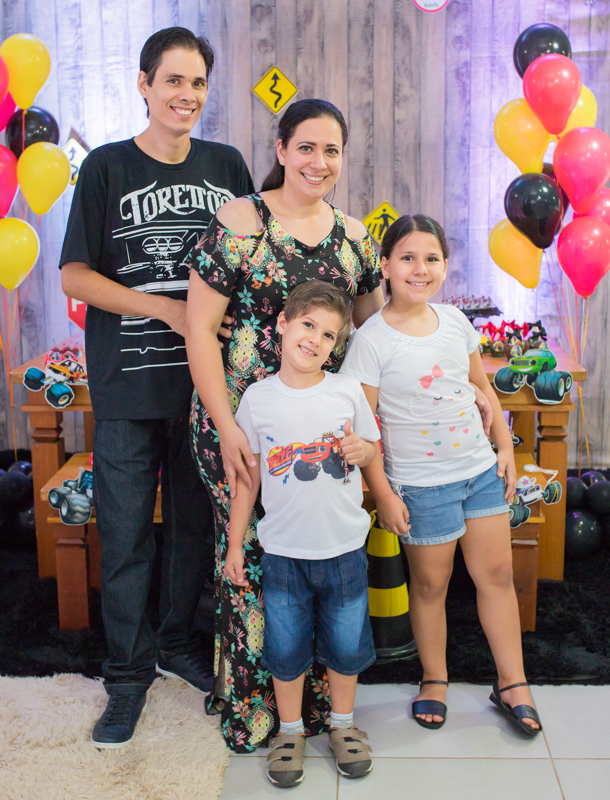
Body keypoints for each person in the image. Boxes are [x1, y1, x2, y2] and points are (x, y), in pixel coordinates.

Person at [59, 27, 254, 750]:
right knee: (126, 534)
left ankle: (176, 644)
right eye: (172, 80)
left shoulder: (227, 164)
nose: (186, 95)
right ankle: (126, 676)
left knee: (194, 533)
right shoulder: (106, 169)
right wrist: (168, 307)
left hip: (208, 389)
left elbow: (250, 260)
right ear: (143, 85)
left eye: (198, 82)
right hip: (126, 386)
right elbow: (75, 276)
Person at [183, 99, 384, 752]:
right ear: (280, 148)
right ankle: (258, 711)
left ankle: (323, 713)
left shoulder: (355, 238)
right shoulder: (241, 222)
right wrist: (225, 426)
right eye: (306, 147)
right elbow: (199, 329)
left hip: (323, 436)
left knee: (321, 560)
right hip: (242, 425)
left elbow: (373, 337)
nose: (318, 162)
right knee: (254, 559)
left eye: (331, 150)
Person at [341, 214, 544, 739]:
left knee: (495, 576)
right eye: (406, 257)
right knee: (431, 584)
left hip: (478, 472)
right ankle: (434, 678)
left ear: (446, 267)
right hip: (420, 484)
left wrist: (504, 447)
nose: (419, 268)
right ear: (384, 266)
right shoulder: (371, 340)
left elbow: (483, 389)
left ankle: (512, 682)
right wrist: (382, 493)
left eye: (431, 258)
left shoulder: (455, 322)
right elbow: (365, 430)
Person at [223, 281, 379, 787]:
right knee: (287, 650)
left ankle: (342, 725)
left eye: (329, 335)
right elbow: (248, 480)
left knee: (346, 645)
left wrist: (362, 452)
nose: (315, 340)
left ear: (337, 346)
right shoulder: (258, 399)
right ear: (284, 326)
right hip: (283, 554)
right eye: (308, 326)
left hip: (345, 549)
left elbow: (371, 449)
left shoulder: (346, 391)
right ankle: (289, 732)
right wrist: (233, 545)